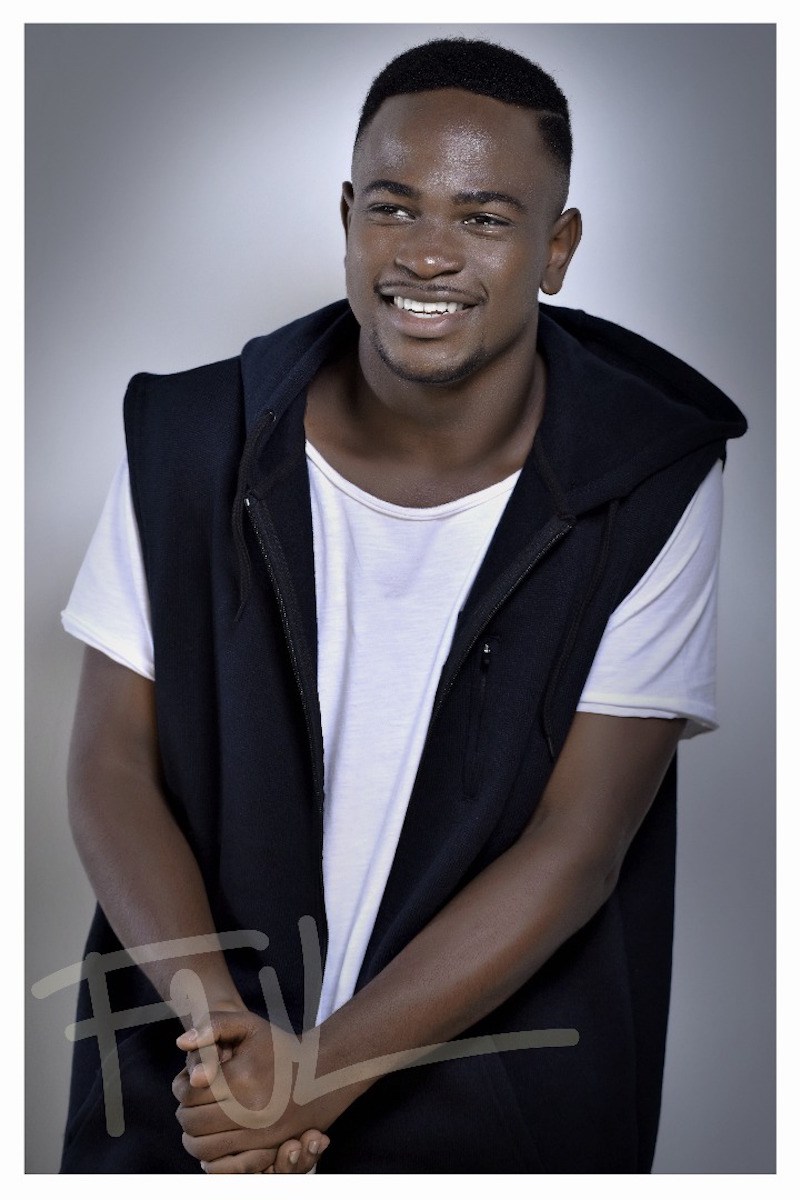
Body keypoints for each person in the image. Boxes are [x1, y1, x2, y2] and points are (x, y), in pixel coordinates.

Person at [59, 37, 747, 1174]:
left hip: (489, 1114)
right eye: (393, 207)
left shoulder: (647, 473)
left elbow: (579, 844)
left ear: (556, 248)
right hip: (191, 1091)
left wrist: (314, 1076)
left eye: (484, 218)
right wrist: (221, 1033)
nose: (428, 253)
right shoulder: (184, 441)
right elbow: (109, 767)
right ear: (346, 218)